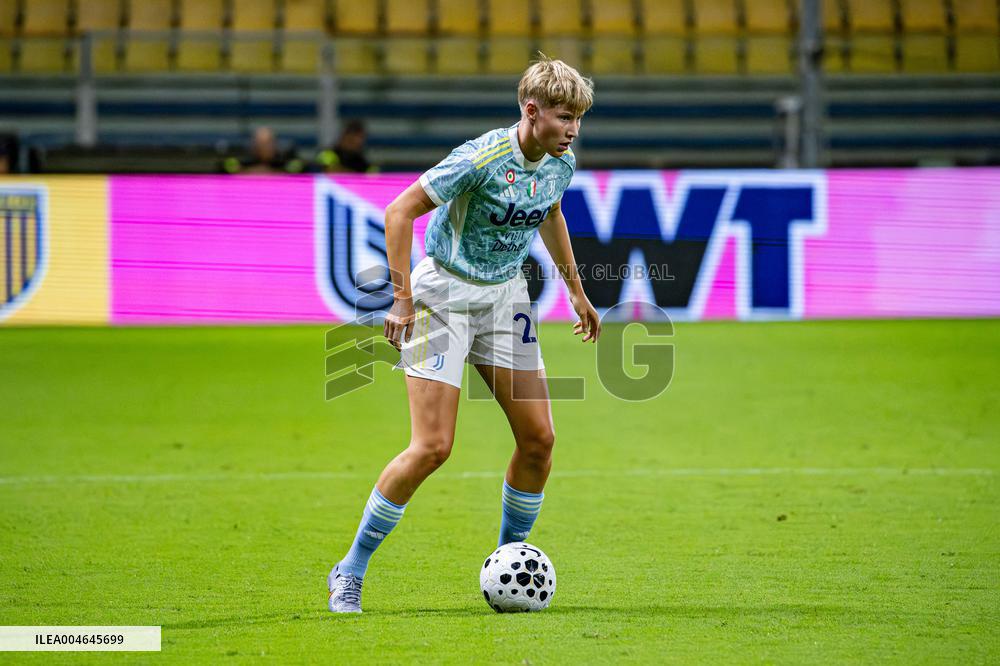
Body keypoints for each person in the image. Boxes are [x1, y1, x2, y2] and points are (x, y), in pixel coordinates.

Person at [327, 55, 601, 614]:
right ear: (532, 110)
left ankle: (506, 562)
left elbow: (550, 214)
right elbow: (399, 211)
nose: (573, 129)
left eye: (578, 118)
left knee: (539, 441)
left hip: (504, 300)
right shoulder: (479, 158)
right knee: (433, 447)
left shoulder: (559, 162)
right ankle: (350, 568)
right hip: (442, 297)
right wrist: (402, 298)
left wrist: (576, 290)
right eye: (564, 116)